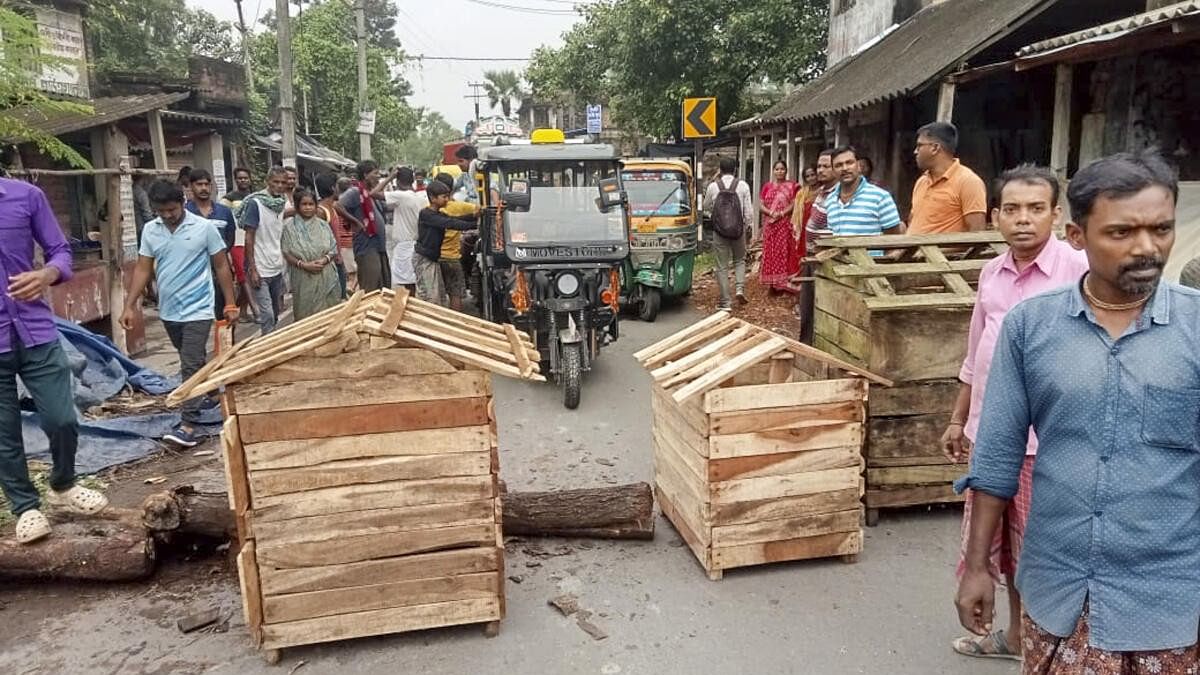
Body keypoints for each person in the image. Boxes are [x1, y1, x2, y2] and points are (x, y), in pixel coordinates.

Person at [955, 150, 1200, 674]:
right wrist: (977, 567)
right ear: (1077, 234)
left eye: (1161, 229)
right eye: (1121, 233)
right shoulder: (1030, 328)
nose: (1146, 248)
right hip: (1058, 590)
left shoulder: (1195, 329)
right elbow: (997, 457)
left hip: (1169, 600)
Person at [942, 165, 1088, 661]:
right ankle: (1017, 636)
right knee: (1000, 545)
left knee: (1042, 551)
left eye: (1035, 209)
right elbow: (976, 351)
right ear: (995, 216)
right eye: (1012, 209)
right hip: (993, 436)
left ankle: (1054, 646)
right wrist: (959, 418)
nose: (1023, 220)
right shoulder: (992, 272)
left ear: (1056, 214)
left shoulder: (1078, 269)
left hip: (1047, 442)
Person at [0, 177, 108, 544]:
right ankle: (25, 507)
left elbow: (60, 250)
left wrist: (47, 273)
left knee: (62, 418)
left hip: (36, 331)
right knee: (4, 434)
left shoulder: (25, 195)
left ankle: (63, 486)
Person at [122, 180, 238, 448]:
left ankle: (188, 425)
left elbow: (221, 265)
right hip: (169, 310)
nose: (166, 215)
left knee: (190, 362)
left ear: (182, 203)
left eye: (171, 210)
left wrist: (230, 303)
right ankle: (205, 389)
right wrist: (129, 305)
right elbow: (142, 268)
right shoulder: (151, 231)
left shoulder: (204, 228)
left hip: (199, 308)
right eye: (160, 211)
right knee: (190, 358)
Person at [910, 121, 988, 234]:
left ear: (935, 148)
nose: (915, 151)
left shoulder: (968, 181)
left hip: (942, 252)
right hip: (912, 250)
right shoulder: (922, 181)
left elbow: (977, 232)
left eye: (919, 145)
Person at [238, 166, 290, 335]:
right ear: (267, 182)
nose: (280, 185)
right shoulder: (256, 203)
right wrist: (252, 269)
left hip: (276, 265)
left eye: (283, 182)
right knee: (266, 313)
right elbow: (249, 237)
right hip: (259, 268)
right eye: (276, 182)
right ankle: (268, 347)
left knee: (275, 312)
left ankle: (271, 339)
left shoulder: (280, 203)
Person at [185, 169, 237, 324]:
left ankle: (227, 347)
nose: (203, 188)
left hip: (220, 269)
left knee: (226, 316)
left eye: (207, 184)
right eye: (199, 184)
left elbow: (230, 240)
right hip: (194, 272)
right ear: (191, 187)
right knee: (196, 319)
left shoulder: (224, 212)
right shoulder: (185, 213)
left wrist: (217, 256)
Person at [413, 179, 477, 303]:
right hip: (424, 260)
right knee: (430, 297)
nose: (447, 200)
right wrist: (475, 225)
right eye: (444, 197)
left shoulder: (439, 214)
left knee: (438, 296)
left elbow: (455, 219)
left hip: (432, 259)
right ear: (432, 198)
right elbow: (451, 223)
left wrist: (474, 217)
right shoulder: (427, 214)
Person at [703, 156, 754, 310]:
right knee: (739, 260)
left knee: (722, 266)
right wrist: (747, 226)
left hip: (720, 232)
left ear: (720, 169)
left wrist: (716, 215)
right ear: (735, 169)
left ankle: (726, 301)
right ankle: (739, 289)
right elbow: (749, 211)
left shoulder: (713, 186)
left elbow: (706, 206)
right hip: (738, 230)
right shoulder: (743, 185)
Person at [281, 189, 341, 320]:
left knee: (329, 314)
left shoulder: (323, 225)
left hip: (326, 272)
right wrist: (303, 264)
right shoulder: (289, 228)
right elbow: (286, 252)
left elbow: (333, 247)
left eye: (311, 204)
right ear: (297, 206)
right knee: (306, 315)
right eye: (304, 204)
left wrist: (325, 260)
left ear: (315, 206)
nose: (308, 208)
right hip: (302, 276)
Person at [824, 146, 902, 244]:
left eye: (849, 163)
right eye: (838, 165)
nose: (845, 168)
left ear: (858, 165)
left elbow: (893, 239)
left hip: (871, 259)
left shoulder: (880, 197)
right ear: (833, 171)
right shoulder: (830, 200)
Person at [339, 160, 393, 292]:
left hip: (379, 246)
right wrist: (356, 222)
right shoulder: (355, 192)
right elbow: (337, 206)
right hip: (366, 247)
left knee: (383, 286)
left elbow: (386, 208)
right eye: (375, 173)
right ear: (365, 175)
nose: (378, 176)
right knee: (371, 288)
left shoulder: (371, 194)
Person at [433, 172, 478, 310]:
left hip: (435, 258)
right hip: (452, 258)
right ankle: (455, 323)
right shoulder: (459, 206)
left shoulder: (428, 208)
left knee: (437, 295)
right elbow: (479, 210)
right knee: (455, 294)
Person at [220, 167, 257, 323]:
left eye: (245, 178)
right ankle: (255, 310)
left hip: (253, 240)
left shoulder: (255, 197)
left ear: (250, 179)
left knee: (250, 276)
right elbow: (224, 221)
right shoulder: (228, 199)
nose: (243, 180)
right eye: (239, 178)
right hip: (237, 241)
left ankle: (243, 310)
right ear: (235, 180)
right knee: (243, 276)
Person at [385, 167, 427, 293]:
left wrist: (389, 177)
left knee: (405, 285)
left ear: (397, 182)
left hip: (404, 245)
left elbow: (372, 193)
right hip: (414, 243)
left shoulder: (401, 196)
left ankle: (405, 308)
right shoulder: (418, 196)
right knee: (410, 282)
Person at [759, 160, 799, 293]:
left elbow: (794, 204)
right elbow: (760, 205)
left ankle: (783, 284)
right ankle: (771, 284)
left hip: (784, 224)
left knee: (783, 252)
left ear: (786, 171)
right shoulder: (767, 186)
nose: (779, 171)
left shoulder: (792, 186)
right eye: (777, 169)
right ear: (773, 171)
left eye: (782, 169)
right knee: (770, 252)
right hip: (770, 225)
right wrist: (771, 213)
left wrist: (781, 213)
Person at [314, 174, 351, 298]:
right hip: (330, 263)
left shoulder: (332, 208)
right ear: (332, 188)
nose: (338, 189)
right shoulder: (321, 211)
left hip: (337, 259)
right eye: (336, 186)